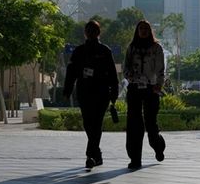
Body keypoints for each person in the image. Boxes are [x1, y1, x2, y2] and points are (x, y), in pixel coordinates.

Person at [62, 20, 119, 170]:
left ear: (98, 33)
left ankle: (90, 155)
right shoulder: (79, 51)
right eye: (89, 30)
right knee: (88, 123)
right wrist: (67, 90)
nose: (91, 32)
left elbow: (113, 74)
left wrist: (114, 92)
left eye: (94, 30)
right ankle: (97, 153)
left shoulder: (105, 51)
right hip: (84, 92)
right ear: (85, 33)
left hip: (102, 93)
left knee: (97, 123)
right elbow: (71, 72)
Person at [123, 19, 166, 170]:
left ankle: (158, 145)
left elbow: (161, 69)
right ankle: (135, 158)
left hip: (151, 88)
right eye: (140, 28)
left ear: (150, 31)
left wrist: (159, 84)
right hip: (134, 87)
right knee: (134, 123)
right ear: (137, 31)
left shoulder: (156, 48)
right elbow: (125, 66)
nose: (143, 31)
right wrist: (130, 76)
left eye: (146, 29)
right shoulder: (132, 48)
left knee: (150, 122)